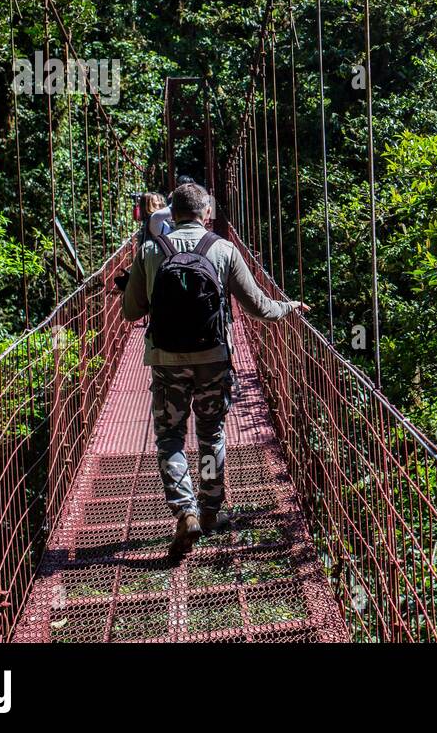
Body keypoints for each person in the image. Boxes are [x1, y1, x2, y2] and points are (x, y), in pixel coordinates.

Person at [119, 181, 308, 560]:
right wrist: (289, 306)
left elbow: (131, 312)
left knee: (170, 437)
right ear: (207, 213)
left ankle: (184, 508)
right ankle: (209, 509)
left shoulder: (151, 250)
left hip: (166, 361)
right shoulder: (223, 250)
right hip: (213, 360)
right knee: (211, 434)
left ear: (171, 215)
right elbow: (259, 308)